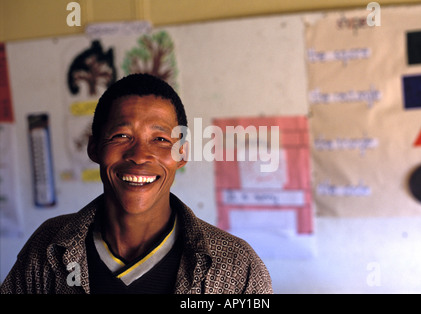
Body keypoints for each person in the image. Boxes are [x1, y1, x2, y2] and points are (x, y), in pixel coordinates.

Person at [0, 74, 272, 294]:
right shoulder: (48, 248)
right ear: (94, 148)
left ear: (182, 154)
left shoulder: (237, 267)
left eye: (161, 139)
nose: (140, 156)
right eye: (121, 135)